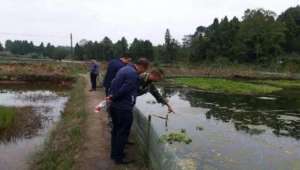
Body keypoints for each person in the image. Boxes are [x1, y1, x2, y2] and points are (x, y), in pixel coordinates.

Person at [107, 58, 149, 164]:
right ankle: (119, 158)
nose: (143, 72)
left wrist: (111, 97)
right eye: (144, 70)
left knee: (116, 131)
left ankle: (114, 154)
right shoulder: (133, 74)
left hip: (115, 106)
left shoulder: (124, 69)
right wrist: (114, 97)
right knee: (122, 133)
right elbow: (124, 90)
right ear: (141, 66)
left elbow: (113, 83)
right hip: (123, 108)